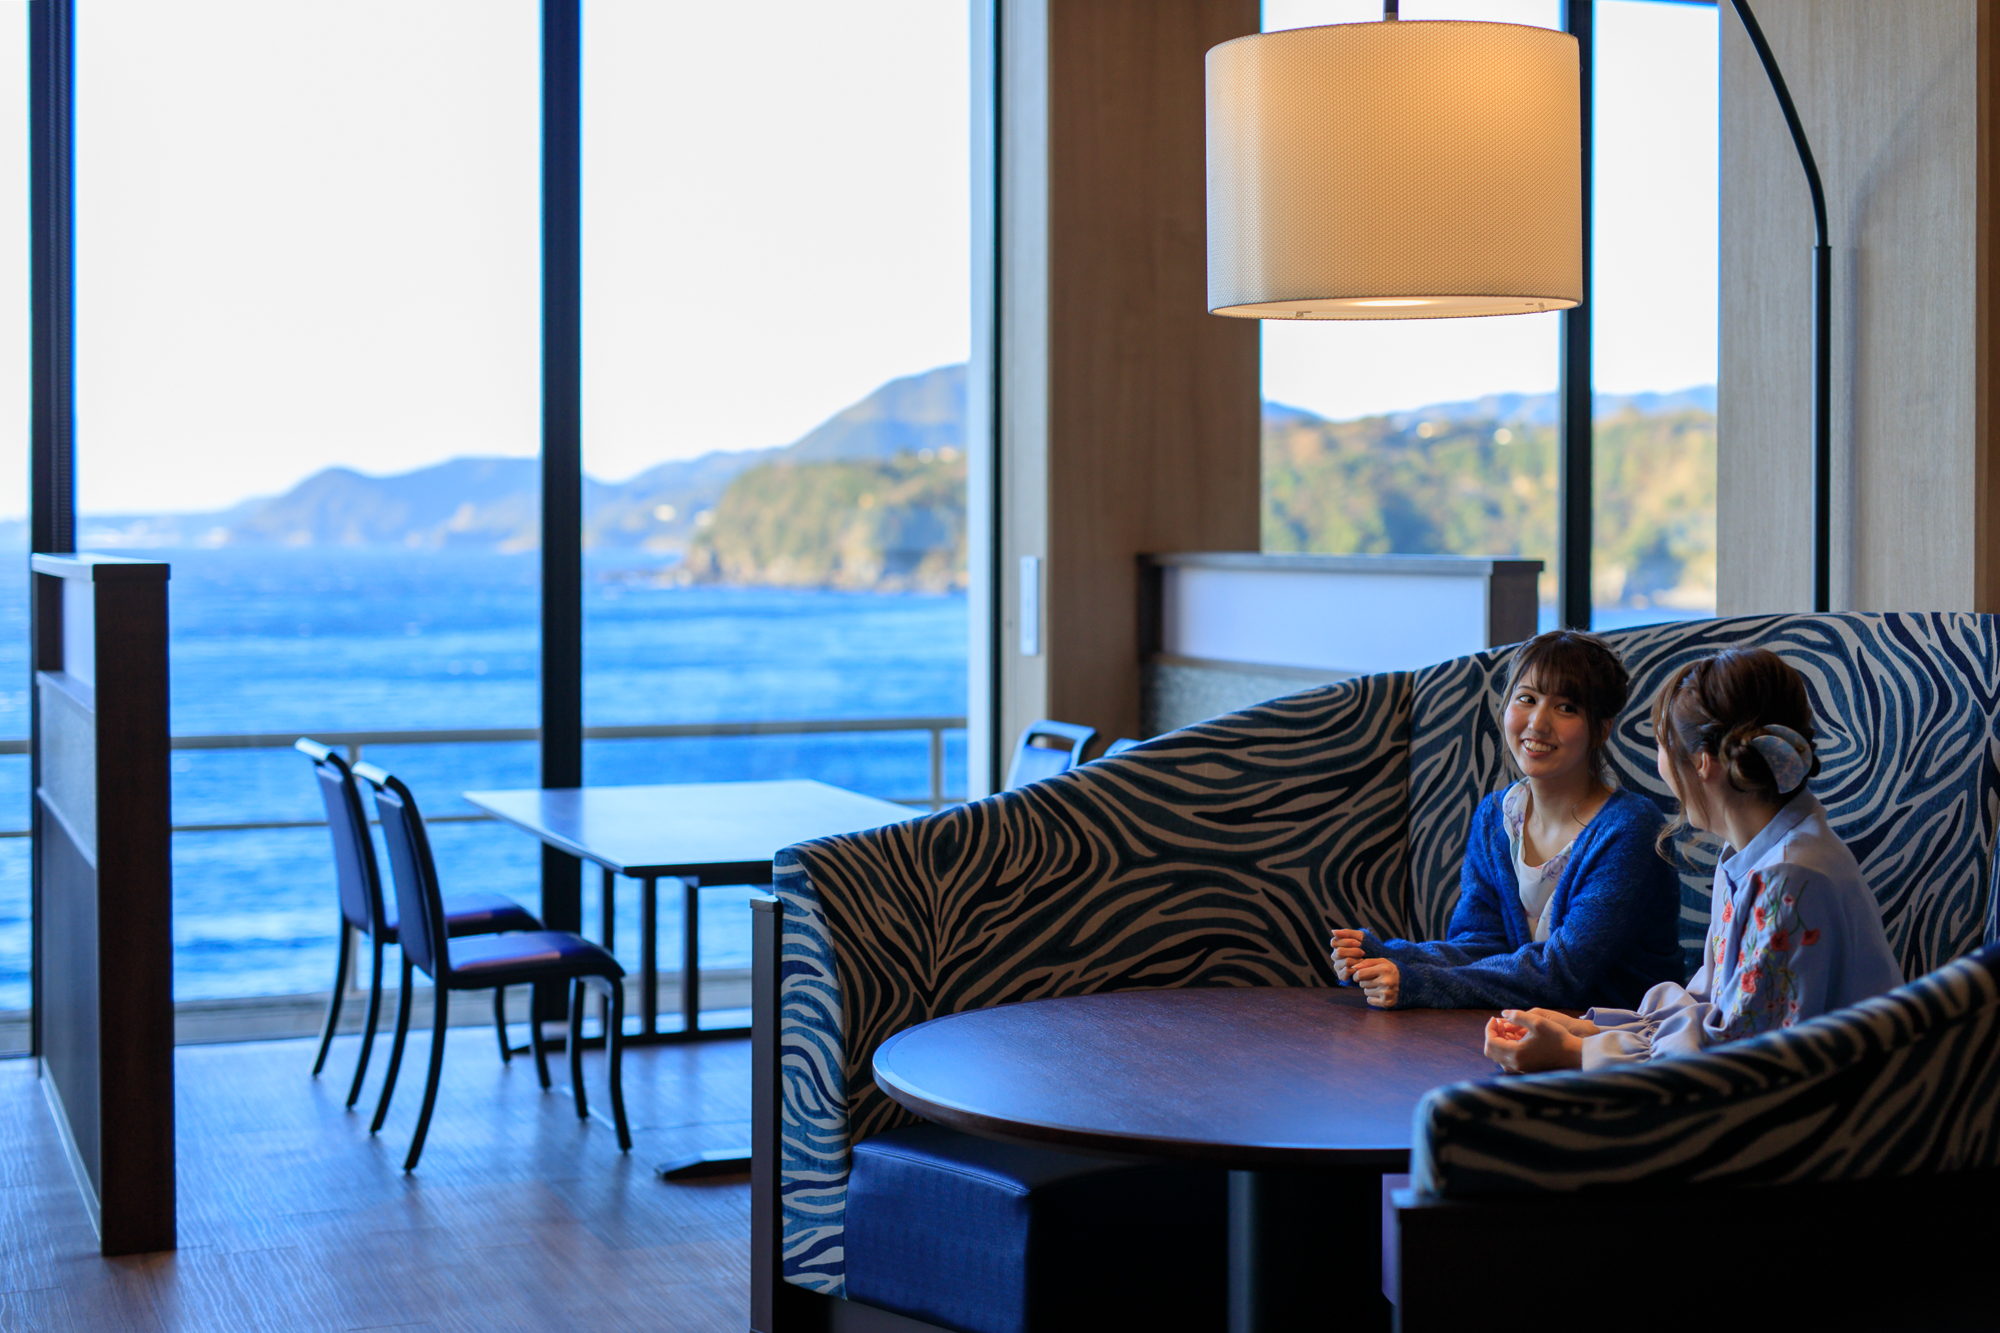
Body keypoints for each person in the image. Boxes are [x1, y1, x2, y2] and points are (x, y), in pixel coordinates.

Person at [1484, 646, 1903, 1072]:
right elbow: (1712, 1009)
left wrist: (1575, 1054)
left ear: (1702, 763)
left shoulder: (1787, 877)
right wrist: (1590, 1030)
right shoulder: (1751, 857)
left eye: (1661, 745)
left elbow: (1736, 1058)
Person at [1329, 630, 1684, 1010]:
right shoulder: (1497, 817)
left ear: (1601, 728)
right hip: (1528, 1024)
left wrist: (1415, 982)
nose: (1538, 723)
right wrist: (1384, 956)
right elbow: (1483, 946)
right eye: (1527, 699)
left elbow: (1562, 973)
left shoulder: (1630, 829)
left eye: (1566, 708)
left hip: (1629, 1032)